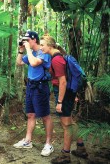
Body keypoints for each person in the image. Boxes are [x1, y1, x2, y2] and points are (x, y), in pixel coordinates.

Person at [40, 35, 88, 164]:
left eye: (42, 45)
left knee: (66, 125)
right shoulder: (58, 57)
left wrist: (60, 101)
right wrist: (73, 94)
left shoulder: (56, 59)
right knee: (70, 122)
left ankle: (65, 155)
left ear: (50, 46)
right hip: (68, 93)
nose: (41, 47)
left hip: (64, 93)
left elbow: (62, 82)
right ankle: (81, 148)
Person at [13, 30, 54, 157]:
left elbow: (34, 62)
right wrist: (21, 50)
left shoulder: (43, 52)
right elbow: (19, 63)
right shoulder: (30, 52)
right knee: (31, 114)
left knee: (45, 116)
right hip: (31, 86)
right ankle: (27, 141)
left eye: (27, 40)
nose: (26, 42)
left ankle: (48, 144)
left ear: (34, 40)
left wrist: (28, 50)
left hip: (40, 87)